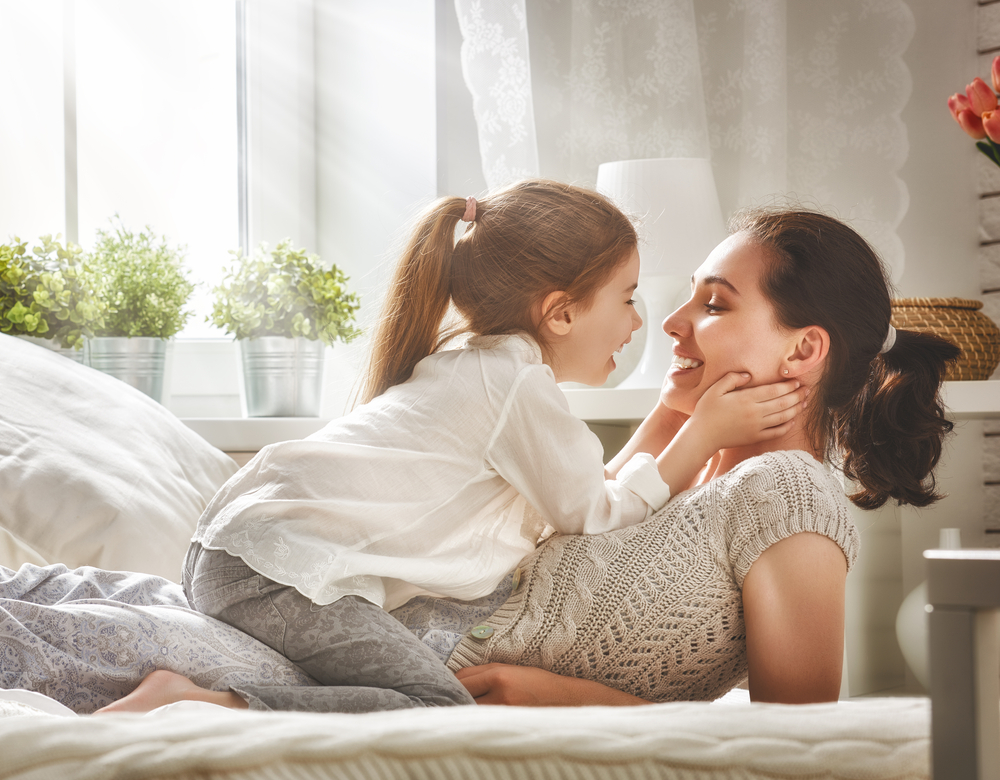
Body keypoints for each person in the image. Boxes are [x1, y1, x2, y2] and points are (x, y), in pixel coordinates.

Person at [102, 180, 804, 714]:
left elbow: (582, 500)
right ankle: (198, 704)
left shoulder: (483, 366)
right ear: (560, 312)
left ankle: (206, 697)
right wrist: (703, 433)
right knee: (434, 707)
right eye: (625, 297)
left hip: (242, 551)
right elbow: (597, 514)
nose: (639, 320)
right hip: (275, 569)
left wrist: (672, 415)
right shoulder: (517, 389)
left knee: (381, 684)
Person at [444, 207, 960, 707]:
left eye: (713, 305)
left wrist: (567, 701)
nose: (668, 322)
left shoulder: (787, 492)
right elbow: (591, 506)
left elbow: (796, 743)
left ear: (802, 351)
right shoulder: (686, 471)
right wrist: (674, 414)